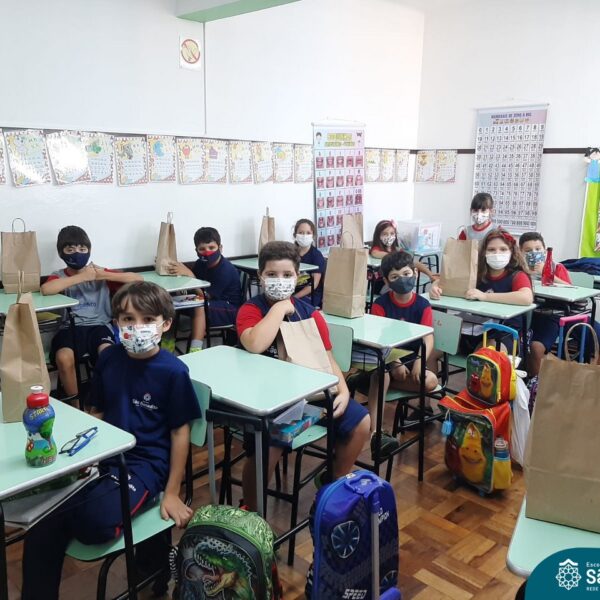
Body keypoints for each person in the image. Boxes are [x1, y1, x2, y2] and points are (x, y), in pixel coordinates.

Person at [21, 281, 201, 600]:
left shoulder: (173, 372)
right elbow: (97, 412)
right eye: (128, 319)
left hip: (145, 464)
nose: (137, 327)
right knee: (40, 522)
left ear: (166, 324)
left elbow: (180, 432)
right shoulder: (109, 359)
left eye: (148, 319)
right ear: (116, 322)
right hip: (105, 456)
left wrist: (173, 492)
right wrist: (79, 458)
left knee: (94, 523)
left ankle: (151, 567)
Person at [235, 241, 370, 511]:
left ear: (298, 277)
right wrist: (278, 309)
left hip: (309, 395)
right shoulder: (251, 310)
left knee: (361, 422)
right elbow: (255, 344)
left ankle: (332, 483)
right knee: (270, 444)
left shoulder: (310, 314)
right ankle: (250, 507)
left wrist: (343, 390)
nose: (279, 280)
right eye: (272, 274)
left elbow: (327, 356)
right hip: (267, 400)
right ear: (260, 276)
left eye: (287, 275)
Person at [41, 225, 142, 405]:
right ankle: (76, 406)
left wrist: (102, 275)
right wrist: (82, 277)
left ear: (89, 250)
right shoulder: (59, 276)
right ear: (61, 253)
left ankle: (106, 402)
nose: (77, 253)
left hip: (99, 326)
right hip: (69, 328)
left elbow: (138, 280)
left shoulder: (99, 273)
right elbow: (46, 289)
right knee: (63, 358)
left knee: (109, 354)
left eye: (82, 249)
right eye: (70, 249)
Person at [360, 251, 438, 456]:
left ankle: (371, 384)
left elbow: (428, 337)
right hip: (385, 357)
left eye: (406, 274)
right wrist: (395, 362)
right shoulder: (380, 305)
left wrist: (419, 362)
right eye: (395, 277)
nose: (402, 279)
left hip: (412, 359)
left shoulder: (423, 305)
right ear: (386, 281)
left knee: (430, 381)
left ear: (415, 273)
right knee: (383, 375)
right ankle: (376, 432)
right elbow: (378, 340)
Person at [430, 228, 533, 353]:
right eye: (491, 249)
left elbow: (526, 298)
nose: (497, 253)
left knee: (486, 355)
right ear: (484, 252)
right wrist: (435, 286)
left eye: (503, 249)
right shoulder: (474, 272)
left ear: (511, 252)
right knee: (429, 351)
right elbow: (446, 281)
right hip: (468, 329)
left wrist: (485, 296)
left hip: (501, 333)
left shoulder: (517, 276)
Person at [519, 231, 600, 373]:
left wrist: (547, 273)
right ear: (520, 253)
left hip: (565, 313)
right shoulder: (519, 272)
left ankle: (591, 375)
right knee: (536, 347)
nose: (534, 253)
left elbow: (571, 291)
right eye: (528, 251)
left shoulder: (557, 268)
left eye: (538, 249)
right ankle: (536, 381)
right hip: (541, 317)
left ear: (545, 251)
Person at [167, 227, 243, 351]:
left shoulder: (225, 270)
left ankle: (195, 349)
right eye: (202, 249)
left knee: (199, 305)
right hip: (209, 303)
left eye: (211, 248)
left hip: (229, 309)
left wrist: (190, 276)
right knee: (169, 303)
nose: (207, 252)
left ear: (220, 248)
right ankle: (167, 346)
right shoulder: (200, 263)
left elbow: (205, 296)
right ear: (196, 250)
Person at [369, 220, 437, 294]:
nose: (389, 236)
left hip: (398, 281)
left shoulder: (397, 248)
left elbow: (409, 261)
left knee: (412, 264)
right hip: (383, 285)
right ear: (378, 236)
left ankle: (432, 276)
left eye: (392, 233)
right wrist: (397, 256)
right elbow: (375, 253)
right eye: (385, 234)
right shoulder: (376, 249)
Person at [292, 218, 326, 307]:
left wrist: (294, 297)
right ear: (295, 235)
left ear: (313, 236)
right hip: (292, 291)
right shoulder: (290, 253)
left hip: (310, 295)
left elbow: (314, 284)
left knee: (294, 306)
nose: (304, 236)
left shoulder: (316, 255)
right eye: (301, 232)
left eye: (308, 233)